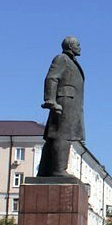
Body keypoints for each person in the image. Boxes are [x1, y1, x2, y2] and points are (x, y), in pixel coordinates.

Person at [37, 36, 85, 177]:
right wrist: (50, 100)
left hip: (72, 104)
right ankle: (58, 170)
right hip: (64, 102)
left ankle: (45, 170)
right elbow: (52, 78)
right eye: (77, 44)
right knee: (61, 135)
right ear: (70, 46)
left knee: (55, 137)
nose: (80, 47)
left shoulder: (72, 62)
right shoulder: (61, 59)